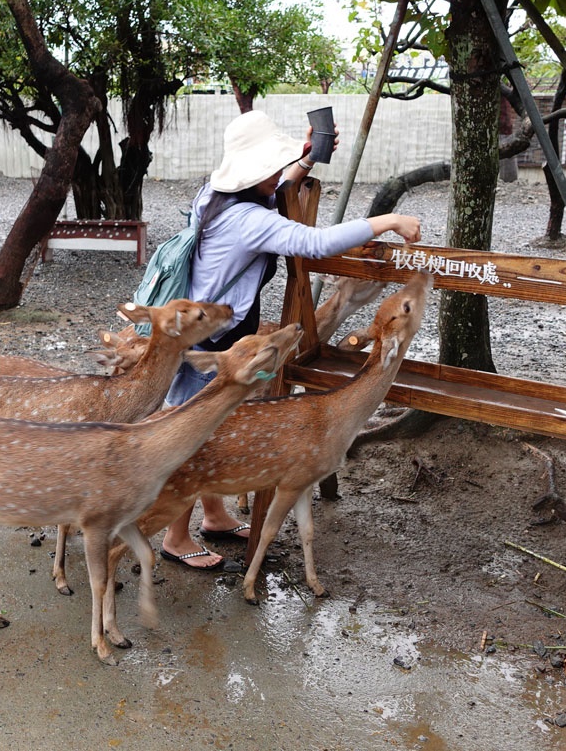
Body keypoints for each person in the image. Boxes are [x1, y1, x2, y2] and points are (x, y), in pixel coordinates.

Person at [159, 110, 421, 571]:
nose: (279, 175)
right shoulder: (246, 220)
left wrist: (303, 162)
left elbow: (269, 195)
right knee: (194, 436)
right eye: (274, 166)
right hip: (215, 342)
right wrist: (386, 221)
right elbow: (316, 244)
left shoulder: (213, 195)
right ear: (256, 173)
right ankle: (175, 537)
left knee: (215, 430)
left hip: (211, 332)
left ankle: (215, 516)